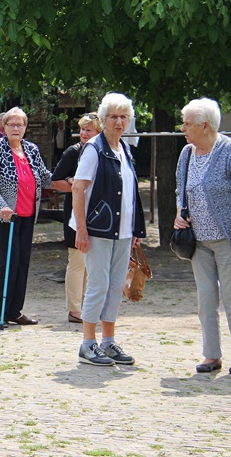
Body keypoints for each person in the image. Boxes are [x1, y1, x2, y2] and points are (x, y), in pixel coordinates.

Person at [174, 97, 231, 375]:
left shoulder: (229, 150)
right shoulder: (187, 153)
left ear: (204, 125)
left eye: (187, 124)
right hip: (199, 242)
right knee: (206, 300)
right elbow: (181, 191)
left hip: (229, 239)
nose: (183, 128)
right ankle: (211, 355)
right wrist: (179, 214)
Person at [71, 93, 146, 366]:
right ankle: (87, 344)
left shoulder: (124, 149)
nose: (118, 121)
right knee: (99, 284)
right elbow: (78, 189)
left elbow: (131, 193)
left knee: (115, 286)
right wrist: (81, 229)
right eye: (113, 116)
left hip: (123, 230)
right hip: (98, 229)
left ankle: (108, 341)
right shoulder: (94, 148)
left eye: (123, 116)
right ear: (103, 120)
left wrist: (136, 227)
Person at [0, 106, 53, 328]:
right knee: (9, 262)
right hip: (5, 216)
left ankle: (14, 310)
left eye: (20, 124)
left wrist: (71, 181)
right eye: (11, 124)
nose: (16, 128)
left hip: (27, 214)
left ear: (25, 127)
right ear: (3, 127)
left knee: (22, 262)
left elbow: (45, 176)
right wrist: (3, 206)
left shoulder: (31, 149)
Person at [50, 113, 102, 323]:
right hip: (75, 213)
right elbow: (55, 182)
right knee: (77, 260)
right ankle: (74, 309)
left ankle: (88, 305)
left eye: (88, 130)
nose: (83, 133)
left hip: (97, 215)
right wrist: (75, 184)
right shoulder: (74, 152)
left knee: (92, 264)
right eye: (82, 129)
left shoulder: (102, 151)